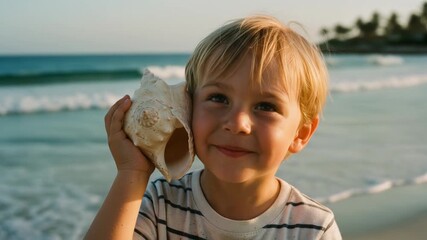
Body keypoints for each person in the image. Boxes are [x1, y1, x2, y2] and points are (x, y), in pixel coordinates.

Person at [85, 15, 342, 240]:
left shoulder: (313, 228)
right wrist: (132, 173)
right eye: (218, 98)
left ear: (301, 133)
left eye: (265, 106)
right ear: (188, 108)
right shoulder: (162, 204)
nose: (237, 124)